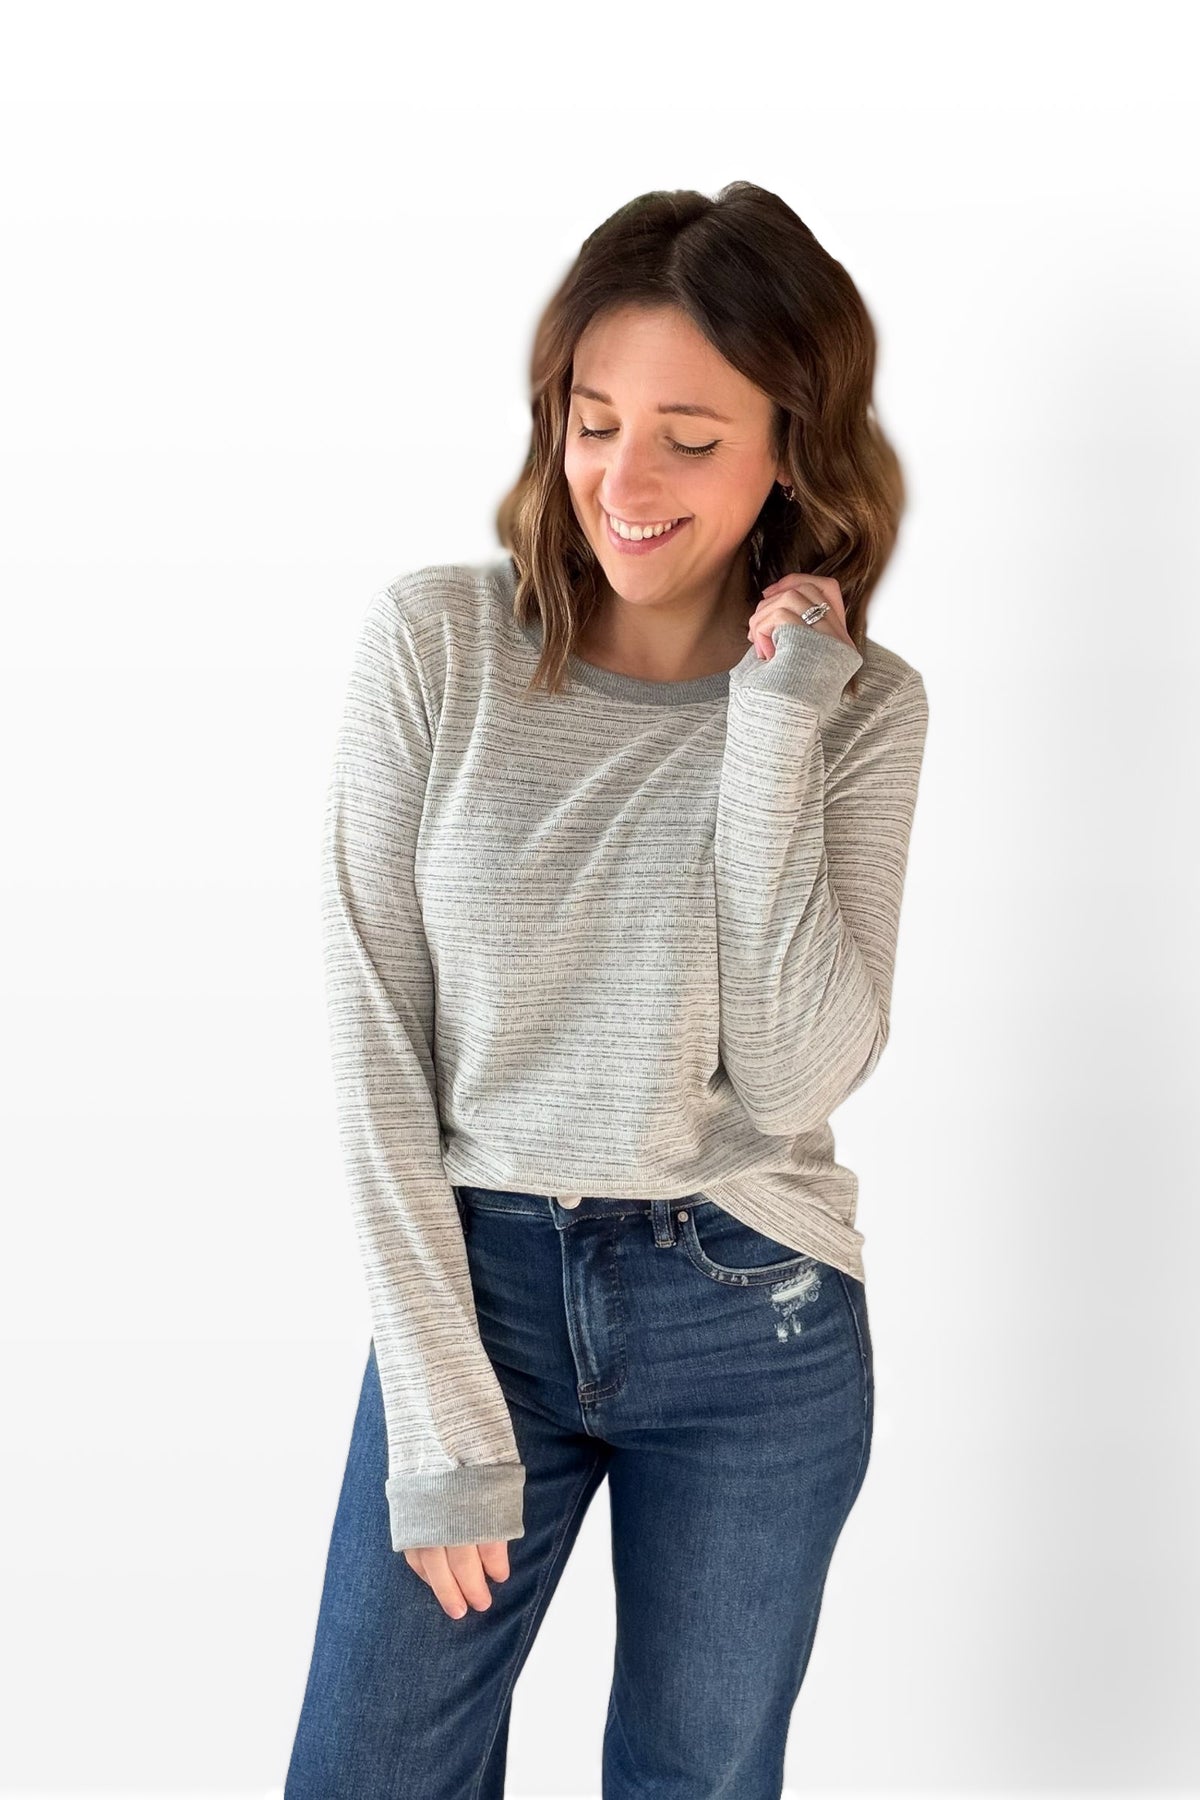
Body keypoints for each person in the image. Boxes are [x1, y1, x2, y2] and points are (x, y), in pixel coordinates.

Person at [284, 179, 930, 1799]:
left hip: (752, 1315)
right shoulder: (436, 646)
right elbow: (372, 1042)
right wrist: (440, 1416)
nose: (622, 484)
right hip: (476, 1295)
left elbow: (794, 1080)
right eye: (591, 422)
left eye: (691, 438)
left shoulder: (859, 708)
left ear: (795, 444)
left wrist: (776, 728)